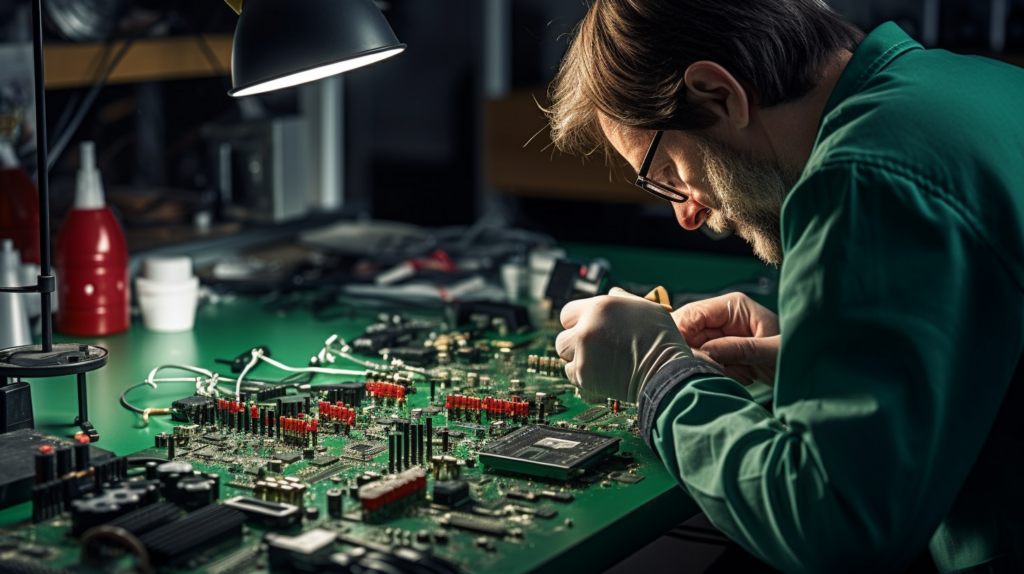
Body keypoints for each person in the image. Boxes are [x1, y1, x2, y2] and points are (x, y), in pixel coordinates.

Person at [547, 1, 1024, 572]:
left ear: (717, 93)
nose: (687, 215)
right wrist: (820, 354)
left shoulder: (864, 178)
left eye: (669, 173)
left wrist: (659, 373)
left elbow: (834, 529)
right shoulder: (976, 84)